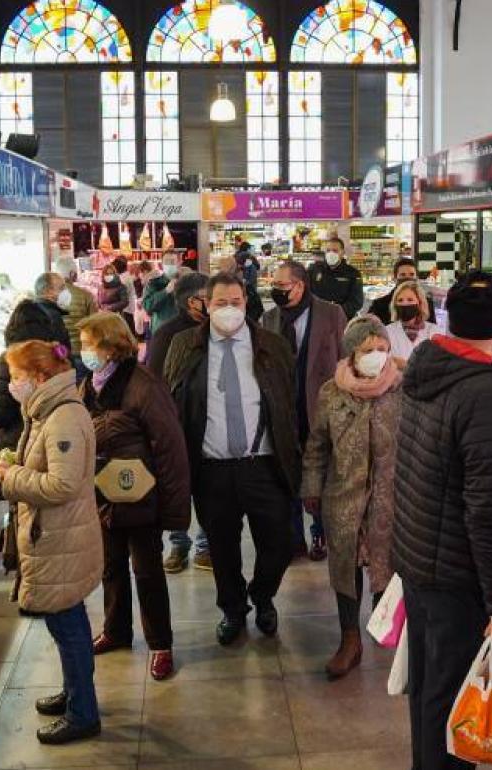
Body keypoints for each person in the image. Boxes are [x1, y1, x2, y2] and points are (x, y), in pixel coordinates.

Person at [391, 271, 492, 770]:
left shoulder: (428, 367)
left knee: (429, 692)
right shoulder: (486, 393)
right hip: (456, 575)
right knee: (454, 703)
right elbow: (490, 509)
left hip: (420, 562)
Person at [163, 273, 300, 646]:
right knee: (222, 549)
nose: (228, 309)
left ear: (246, 303)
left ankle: (263, 594)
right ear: (206, 305)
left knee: (282, 541)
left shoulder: (271, 345)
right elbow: (172, 400)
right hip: (211, 468)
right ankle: (233, 609)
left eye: (235, 302)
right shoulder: (184, 345)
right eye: (220, 302)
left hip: (264, 464)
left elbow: (290, 402)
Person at [0, 339, 104, 745]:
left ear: (40, 377)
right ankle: (76, 694)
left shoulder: (61, 418)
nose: (12, 384)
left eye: (18, 377)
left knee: (69, 627)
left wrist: (11, 476)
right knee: (65, 626)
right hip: (57, 535)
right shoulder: (45, 411)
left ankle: (83, 714)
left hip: (62, 537)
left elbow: (62, 484)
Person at [77, 313, 191, 681]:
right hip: (103, 498)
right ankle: (116, 630)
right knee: (110, 567)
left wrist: (175, 513)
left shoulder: (143, 385)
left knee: (147, 572)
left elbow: (170, 447)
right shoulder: (89, 385)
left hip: (141, 499)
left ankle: (161, 644)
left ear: (111, 347)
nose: (84, 353)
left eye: (89, 345)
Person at [301, 315, 402, 680]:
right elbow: (317, 446)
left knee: (386, 563)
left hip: (391, 498)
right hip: (343, 495)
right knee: (344, 567)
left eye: (382, 349)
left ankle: (385, 626)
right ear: (351, 353)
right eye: (367, 350)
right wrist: (311, 487)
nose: (376, 356)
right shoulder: (332, 391)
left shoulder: (403, 389)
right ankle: (349, 640)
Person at [261, 260, 347, 561]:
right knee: (288, 476)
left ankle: (320, 534)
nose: (277, 291)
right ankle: (293, 538)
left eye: (282, 286)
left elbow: (345, 357)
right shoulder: (270, 318)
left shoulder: (331, 313)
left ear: (300, 285)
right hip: (283, 410)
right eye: (275, 285)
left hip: (321, 409)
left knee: (322, 475)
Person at [146, 272, 213, 573]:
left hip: (212, 421)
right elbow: (154, 382)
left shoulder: (217, 329)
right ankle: (179, 542)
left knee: (210, 486)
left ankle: (205, 544)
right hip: (175, 423)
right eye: (207, 297)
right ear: (191, 301)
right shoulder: (167, 334)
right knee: (177, 486)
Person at [0, 282, 76, 449]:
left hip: (18, 443)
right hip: (52, 439)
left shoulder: (10, 359)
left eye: (16, 377)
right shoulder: (55, 354)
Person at [384, 280, 444, 363]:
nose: (405, 304)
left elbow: (440, 362)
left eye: (410, 300)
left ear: (419, 303)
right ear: (395, 305)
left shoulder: (434, 331)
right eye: (400, 300)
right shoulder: (386, 332)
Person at [307, 236, 364, 319]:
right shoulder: (314, 270)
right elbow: (307, 293)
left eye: (335, 251)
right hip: (317, 318)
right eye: (328, 250)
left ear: (342, 252)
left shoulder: (353, 273)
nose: (331, 253)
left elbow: (356, 302)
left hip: (342, 320)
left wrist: (336, 311)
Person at [369, 258, 437, 325]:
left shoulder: (427, 303)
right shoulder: (379, 305)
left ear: (416, 277)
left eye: (412, 274)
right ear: (395, 278)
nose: (407, 278)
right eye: (403, 275)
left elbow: (433, 331)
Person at [54, 258, 99, 354]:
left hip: (58, 352)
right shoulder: (85, 295)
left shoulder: (51, 296)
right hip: (80, 349)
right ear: (72, 274)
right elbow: (95, 323)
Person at [142, 253, 182, 337]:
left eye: (172, 262)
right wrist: (165, 291)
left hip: (182, 330)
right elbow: (148, 306)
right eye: (167, 262)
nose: (170, 265)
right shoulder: (153, 283)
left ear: (179, 263)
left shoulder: (185, 281)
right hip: (161, 330)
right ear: (162, 265)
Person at [98, 262, 131, 326]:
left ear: (115, 274)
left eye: (111, 274)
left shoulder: (121, 286)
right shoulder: (100, 287)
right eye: (107, 274)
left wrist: (110, 307)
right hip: (103, 318)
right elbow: (99, 302)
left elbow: (125, 301)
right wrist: (101, 308)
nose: (109, 276)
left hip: (116, 317)